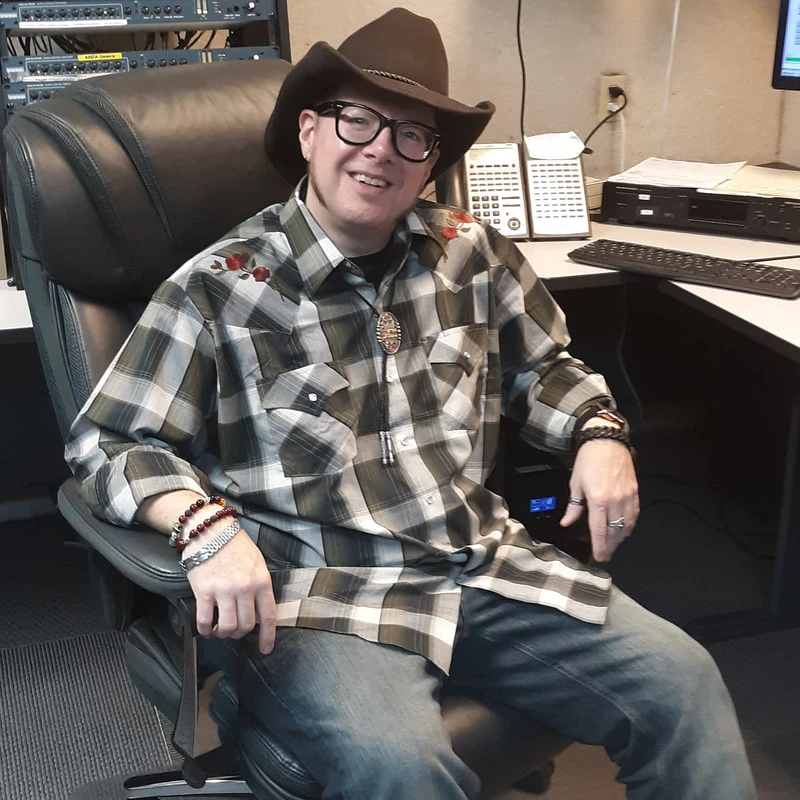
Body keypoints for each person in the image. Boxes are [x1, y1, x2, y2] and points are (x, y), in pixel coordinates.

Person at [65, 8, 756, 799]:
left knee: (681, 681)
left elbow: (543, 367)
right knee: (401, 764)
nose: (380, 150)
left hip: (480, 565)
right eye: (356, 120)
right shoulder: (220, 287)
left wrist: (601, 432)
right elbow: (108, 443)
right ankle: (268, 704)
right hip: (319, 596)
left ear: (430, 163)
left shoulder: (471, 252)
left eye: (411, 135)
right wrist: (202, 526)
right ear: (309, 132)